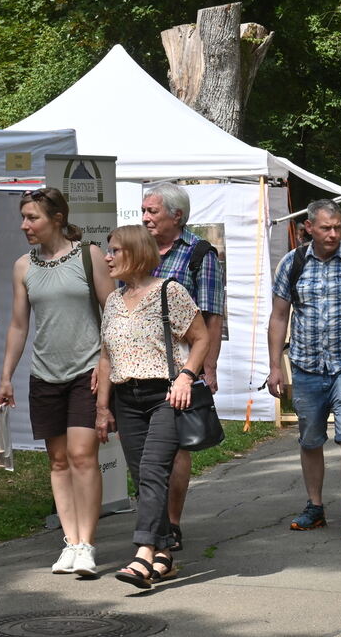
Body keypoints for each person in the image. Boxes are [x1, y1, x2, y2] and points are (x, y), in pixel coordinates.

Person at [0, 188, 114, 576]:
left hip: (86, 372)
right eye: (24, 218)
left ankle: (87, 545)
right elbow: (18, 325)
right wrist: (6, 376)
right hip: (44, 374)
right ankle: (71, 541)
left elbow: (112, 313)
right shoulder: (22, 267)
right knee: (58, 461)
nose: (25, 225)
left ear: (57, 219)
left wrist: (105, 361)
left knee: (82, 457)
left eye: (33, 218)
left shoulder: (88, 255)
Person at [94, 225, 210, 589]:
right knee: (143, 477)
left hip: (166, 395)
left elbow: (201, 337)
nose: (108, 257)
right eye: (108, 251)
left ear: (136, 253)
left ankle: (143, 553)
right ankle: (164, 556)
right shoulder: (113, 300)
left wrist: (187, 376)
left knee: (153, 471)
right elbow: (107, 356)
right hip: (125, 398)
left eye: (114, 250)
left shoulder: (169, 292)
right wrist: (102, 407)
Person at [266, 199, 341, 541]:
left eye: (337, 228)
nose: (334, 234)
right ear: (309, 228)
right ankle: (315, 506)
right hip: (306, 366)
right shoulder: (293, 263)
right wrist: (275, 366)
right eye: (326, 228)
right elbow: (278, 317)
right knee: (310, 439)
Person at [140, 182, 225, 553]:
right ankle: (152, 522)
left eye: (152, 211)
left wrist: (208, 367)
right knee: (143, 448)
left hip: (181, 368)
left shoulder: (200, 255)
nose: (145, 218)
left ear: (177, 215)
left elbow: (211, 316)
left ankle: (170, 523)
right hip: (139, 364)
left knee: (176, 447)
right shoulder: (138, 249)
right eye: (143, 211)